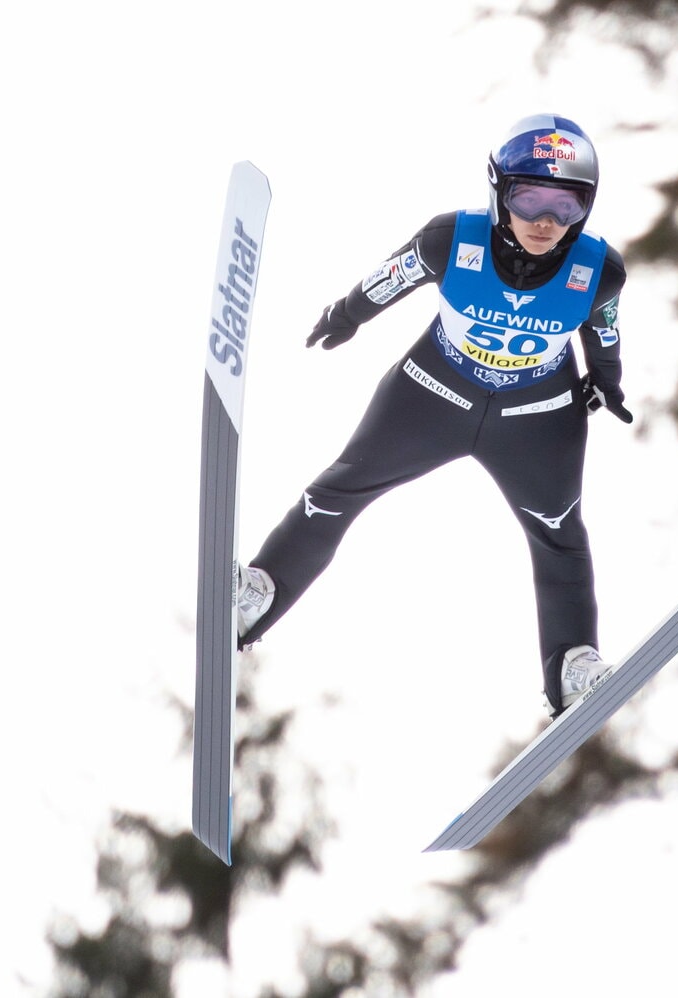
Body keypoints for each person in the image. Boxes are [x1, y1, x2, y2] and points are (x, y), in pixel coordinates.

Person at [235, 113, 632, 718]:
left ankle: (573, 666)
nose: (546, 222)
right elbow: (390, 277)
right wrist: (346, 315)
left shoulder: (600, 270)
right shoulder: (452, 239)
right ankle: (259, 595)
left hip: (537, 417)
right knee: (339, 488)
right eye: (529, 199)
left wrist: (607, 383)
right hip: (430, 395)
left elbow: (602, 331)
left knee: (560, 538)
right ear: (499, 190)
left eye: (567, 205)